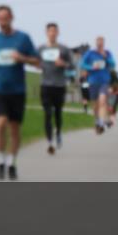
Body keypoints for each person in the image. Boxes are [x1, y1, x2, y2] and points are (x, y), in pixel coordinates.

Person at [0, 5, 40, 180]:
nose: (2, 22)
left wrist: (22, 58)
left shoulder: (23, 38)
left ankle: (11, 162)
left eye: (5, 18)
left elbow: (37, 61)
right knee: (0, 123)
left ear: (12, 17)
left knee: (15, 129)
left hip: (17, 90)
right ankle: (0, 160)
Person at [38, 22, 74, 154]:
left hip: (59, 85)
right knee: (48, 114)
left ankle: (58, 132)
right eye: (50, 31)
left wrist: (63, 63)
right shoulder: (41, 49)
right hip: (45, 85)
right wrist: (37, 64)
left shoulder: (63, 49)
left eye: (55, 31)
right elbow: (34, 60)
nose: (52, 33)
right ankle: (50, 142)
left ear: (58, 33)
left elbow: (72, 65)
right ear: (46, 33)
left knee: (58, 113)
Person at [80, 36, 116, 134]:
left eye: (101, 43)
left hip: (104, 82)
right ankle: (97, 121)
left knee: (102, 100)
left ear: (103, 44)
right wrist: (91, 67)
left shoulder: (108, 53)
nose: (100, 44)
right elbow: (81, 64)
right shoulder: (90, 53)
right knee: (95, 106)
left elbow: (113, 64)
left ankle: (101, 123)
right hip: (93, 82)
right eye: (98, 43)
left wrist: (106, 58)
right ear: (96, 44)